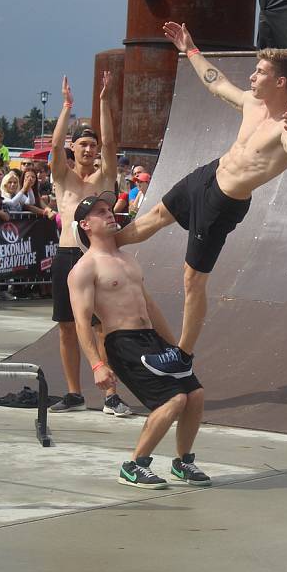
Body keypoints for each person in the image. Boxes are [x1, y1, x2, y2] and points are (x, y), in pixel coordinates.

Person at [115, 21, 287, 373]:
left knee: (193, 278)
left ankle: (183, 357)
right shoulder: (252, 103)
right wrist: (190, 48)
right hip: (208, 175)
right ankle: (102, 245)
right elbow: (217, 84)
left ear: (280, 82)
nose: (252, 77)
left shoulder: (286, 127)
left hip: (224, 204)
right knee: (155, 214)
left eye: (260, 72)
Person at [68, 193, 210, 489]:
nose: (109, 214)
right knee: (173, 400)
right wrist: (97, 365)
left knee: (194, 395)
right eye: (100, 212)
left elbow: (151, 307)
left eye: (109, 209)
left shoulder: (128, 259)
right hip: (124, 343)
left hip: (153, 339)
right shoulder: (85, 268)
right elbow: (82, 322)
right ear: (85, 224)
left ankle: (183, 462)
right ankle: (134, 465)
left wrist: (178, 348)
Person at [49, 72, 131, 416]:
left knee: (101, 327)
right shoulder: (63, 177)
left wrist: (102, 101)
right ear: (74, 148)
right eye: (83, 144)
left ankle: (111, 395)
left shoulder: (102, 178)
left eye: (92, 145)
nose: (89, 149)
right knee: (67, 327)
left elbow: (112, 146)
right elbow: (54, 147)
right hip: (67, 255)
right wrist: (67, 107)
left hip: (96, 257)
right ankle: (73, 393)